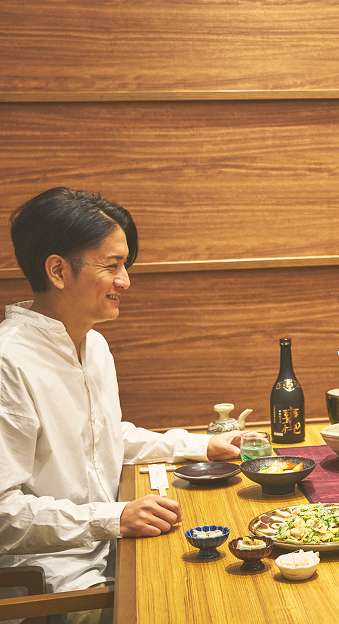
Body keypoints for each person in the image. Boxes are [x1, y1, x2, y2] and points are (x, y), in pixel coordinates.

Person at [0, 188, 242, 618]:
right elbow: (4, 515)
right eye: (112, 266)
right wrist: (115, 517)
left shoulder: (93, 345)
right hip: (59, 581)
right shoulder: (9, 363)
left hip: (115, 549)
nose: (125, 281)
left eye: (125, 265)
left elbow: (106, 439)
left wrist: (198, 446)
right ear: (57, 270)